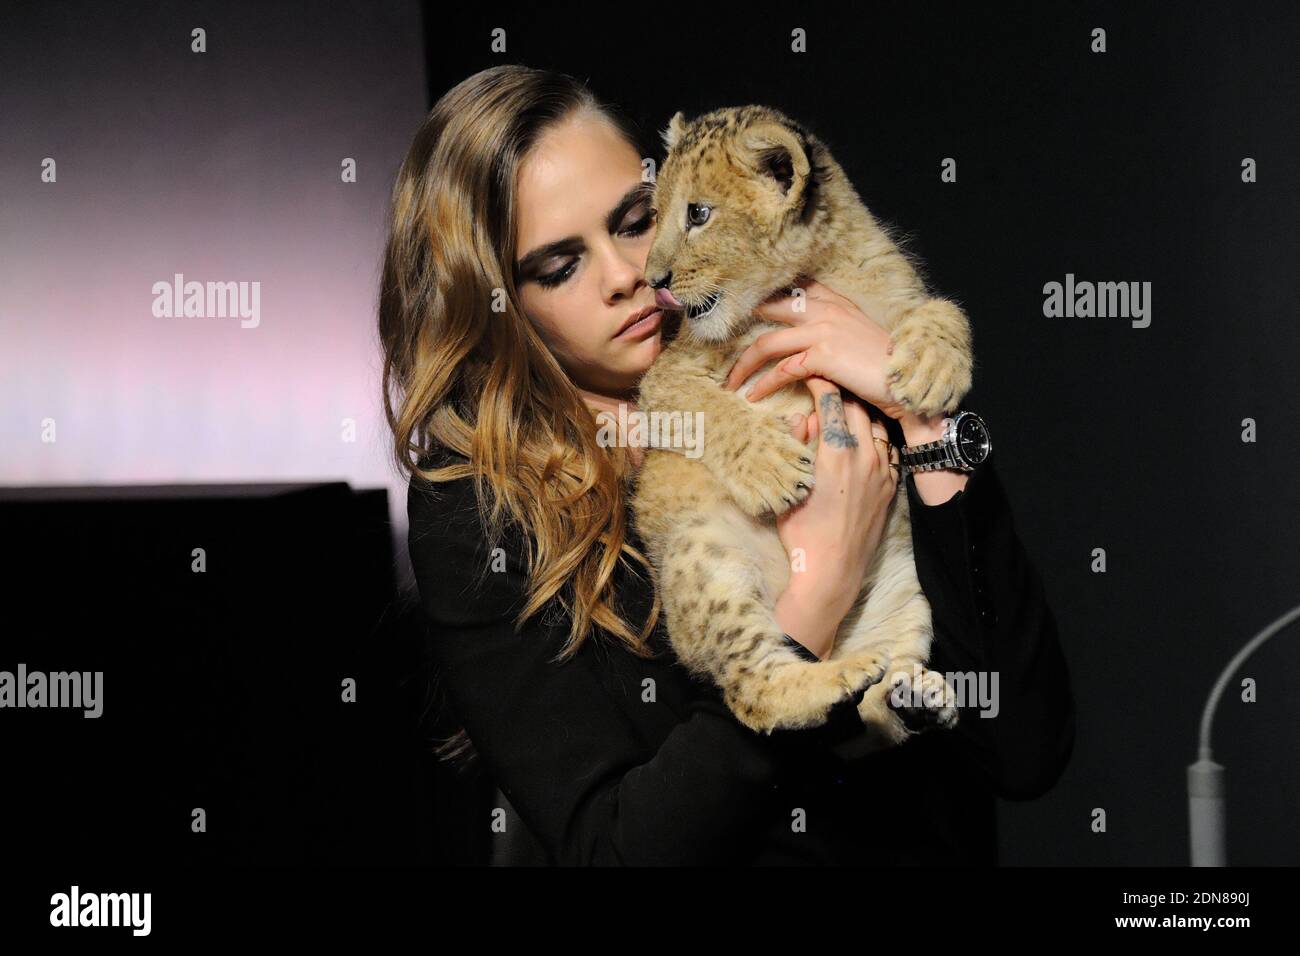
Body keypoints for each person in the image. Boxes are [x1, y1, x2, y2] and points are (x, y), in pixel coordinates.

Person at [380, 64, 1076, 865]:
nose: (633, 276)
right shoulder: (478, 513)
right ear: (495, 300)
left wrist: (922, 419)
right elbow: (618, 851)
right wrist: (818, 593)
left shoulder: (804, 342)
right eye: (560, 266)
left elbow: (1025, 750)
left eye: (638, 220)